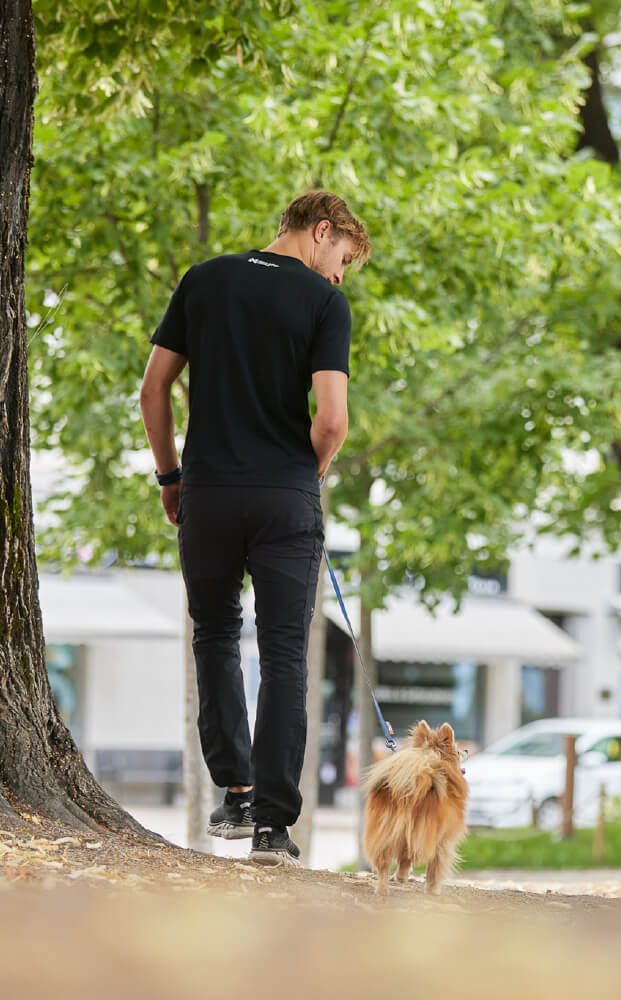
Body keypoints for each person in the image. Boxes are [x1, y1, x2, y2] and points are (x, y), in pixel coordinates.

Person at [140, 191, 371, 867]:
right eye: (344, 259)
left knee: (214, 634)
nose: (339, 275)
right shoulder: (325, 306)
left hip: (206, 492)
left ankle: (234, 791)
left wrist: (169, 476)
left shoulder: (204, 280)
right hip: (284, 499)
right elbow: (330, 419)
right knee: (284, 655)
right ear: (320, 231)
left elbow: (153, 388)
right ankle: (273, 828)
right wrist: (312, 472)